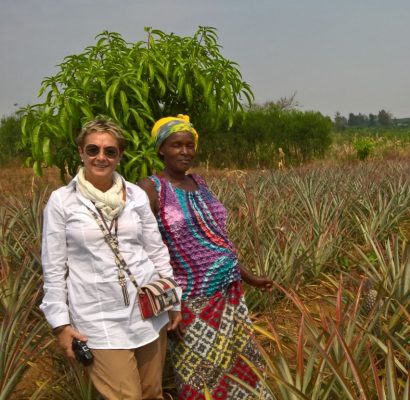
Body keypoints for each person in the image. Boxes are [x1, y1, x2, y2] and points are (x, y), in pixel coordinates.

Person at [40, 117, 181, 400]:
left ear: (120, 155)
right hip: (98, 317)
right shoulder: (62, 201)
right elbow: (53, 268)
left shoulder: (136, 195)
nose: (101, 157)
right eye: (93, 150)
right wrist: (61, 325)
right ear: (81, 152)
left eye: (110, 151)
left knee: (152, 393)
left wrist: (173, 300)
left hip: (148, 311)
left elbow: (155, 250)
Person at [137, 115, 273, 399]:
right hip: (190, 301)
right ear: (161, 149)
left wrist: (250, 277)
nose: (185, 151)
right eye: (176, 145)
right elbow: (142, 250)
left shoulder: (199, 182)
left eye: (190, 145)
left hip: (228, 292)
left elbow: (218, 242)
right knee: (199, 374)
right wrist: (168, 306)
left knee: (240, 365)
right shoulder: (150, 188)